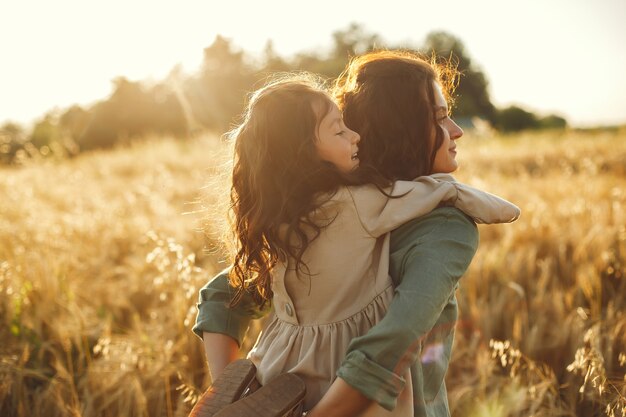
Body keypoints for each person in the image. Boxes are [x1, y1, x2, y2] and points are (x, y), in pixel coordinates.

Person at [193, 52, 520, 417]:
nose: (457, 131)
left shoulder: (315, 210)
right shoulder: (444, 227)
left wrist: (231, 390)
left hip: (283, 392)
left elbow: (225, 294)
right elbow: (393, 342)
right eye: (440, 118)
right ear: (404, 128)